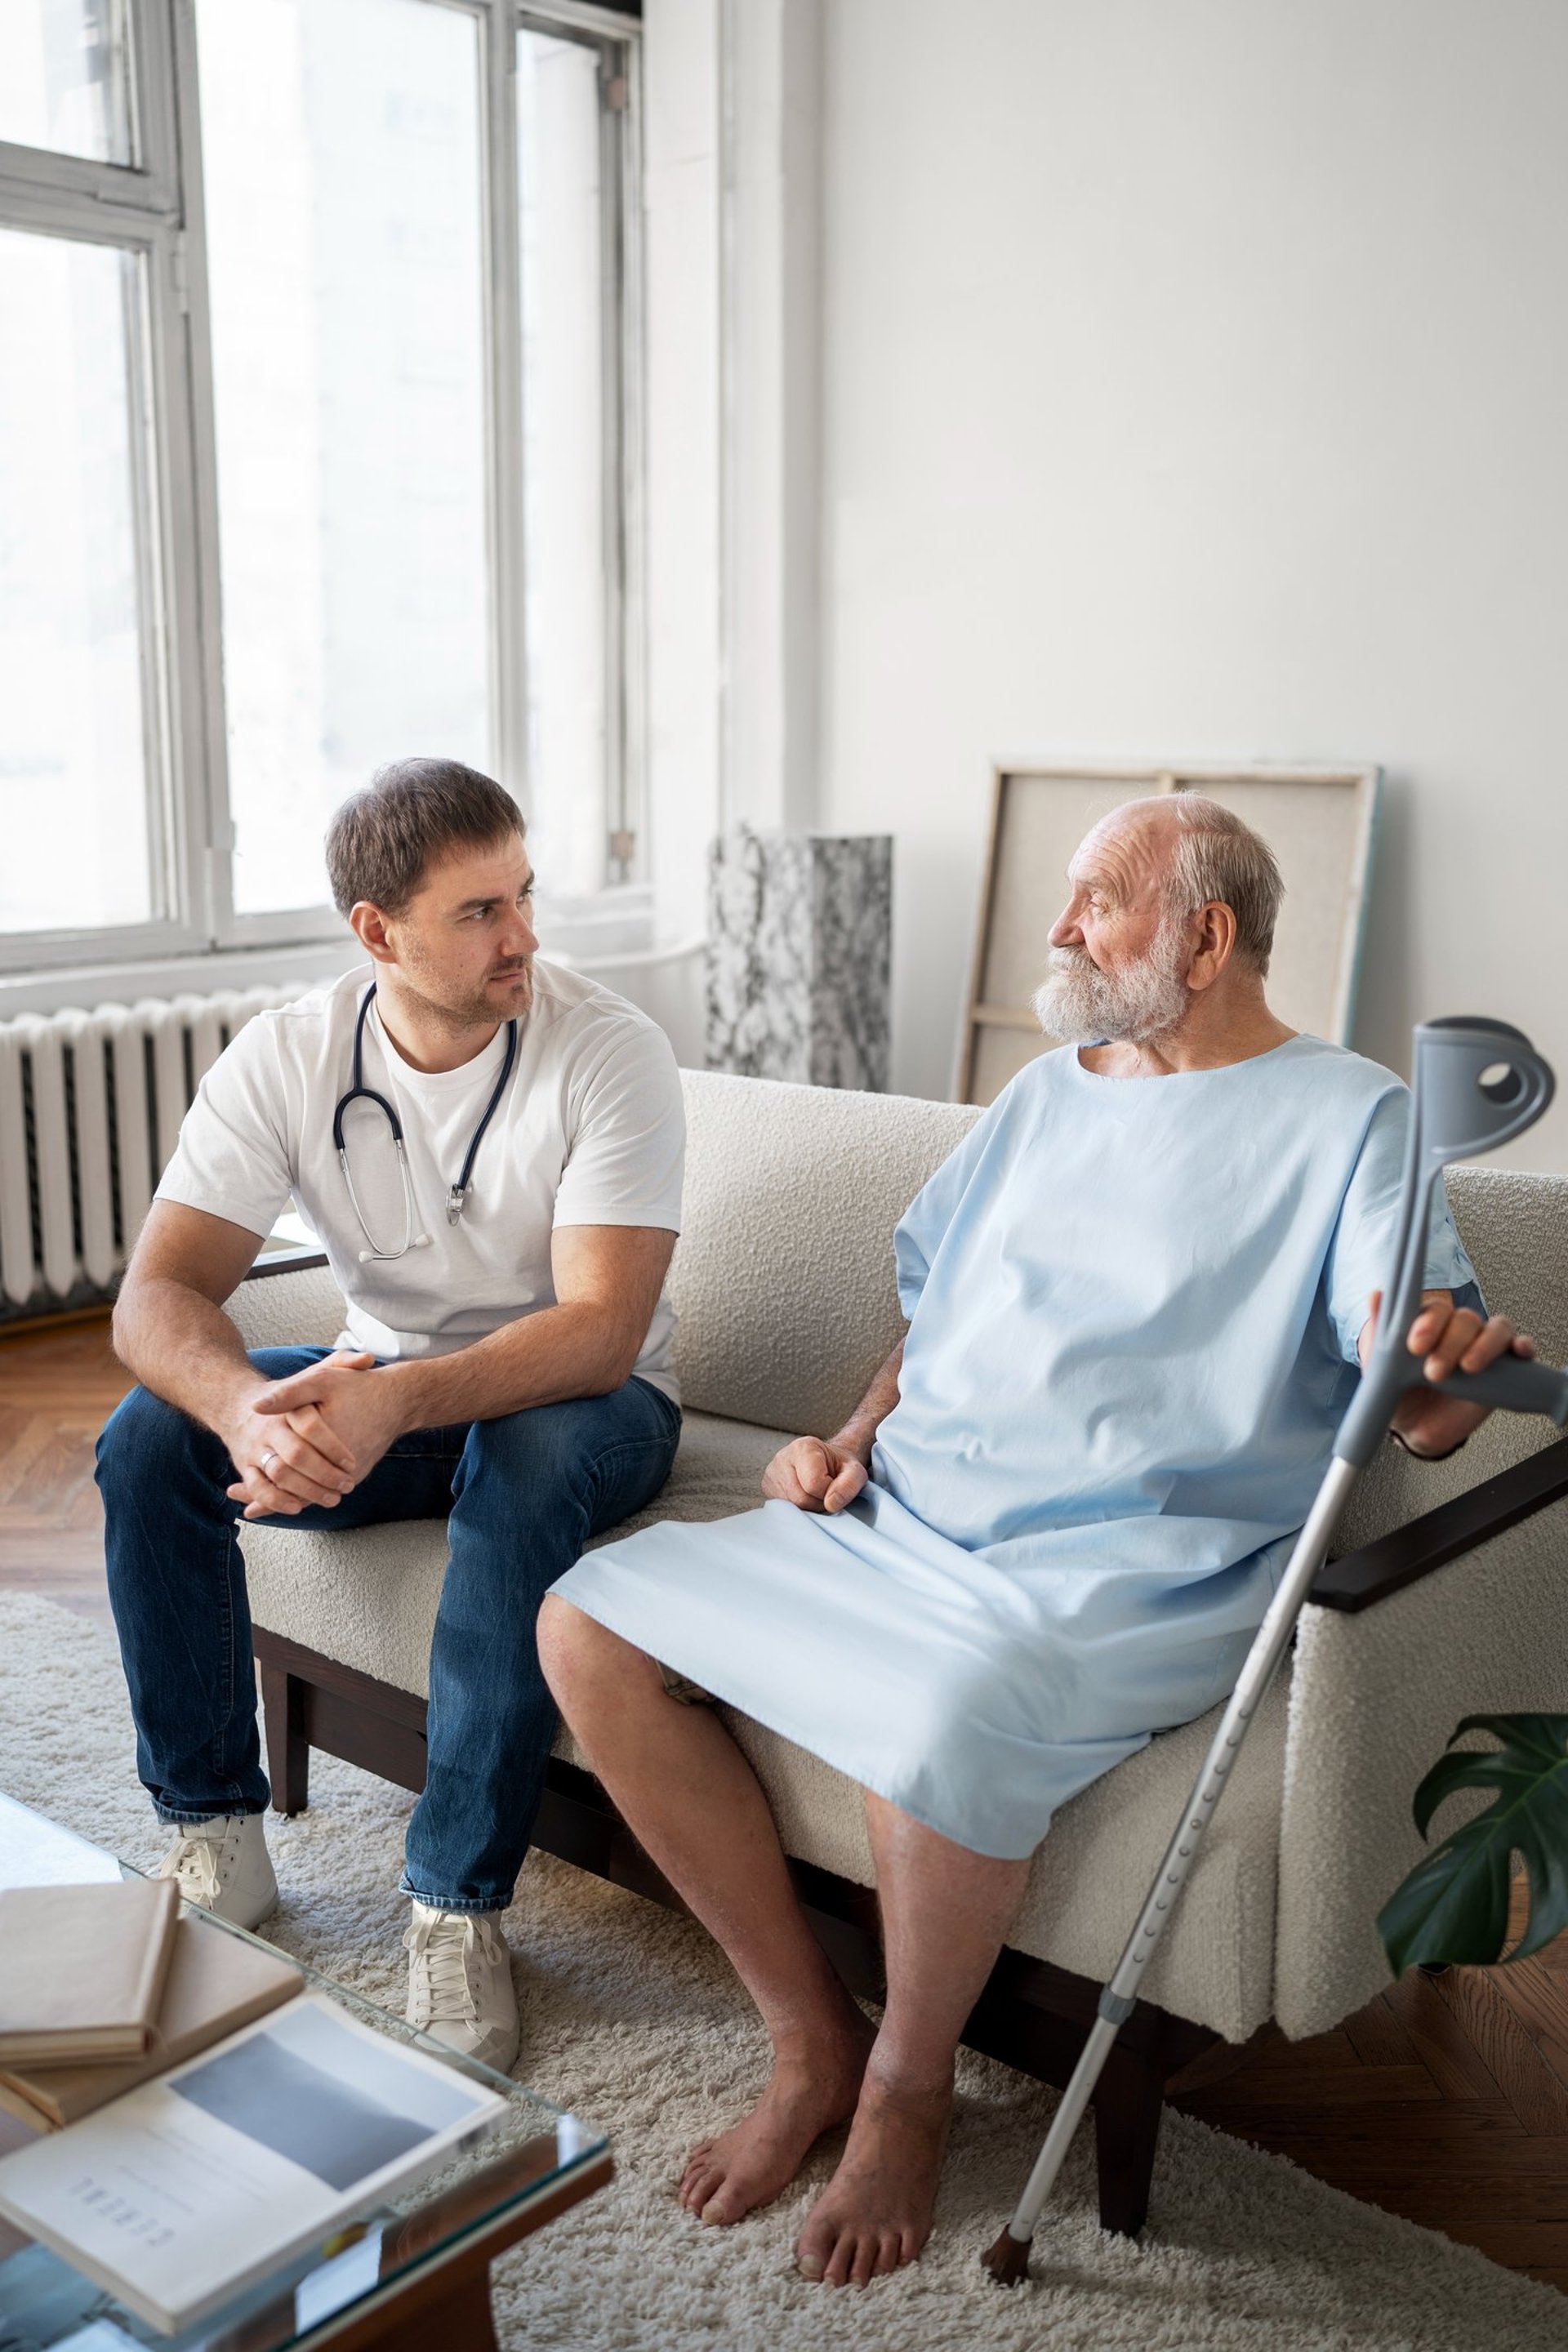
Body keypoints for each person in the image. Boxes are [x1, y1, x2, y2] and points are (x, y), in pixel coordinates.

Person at [537, 792, 1533, 2289]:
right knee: (587, 1625)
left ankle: (904, 2091)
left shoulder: (1355, 1119)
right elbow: (938, 1314)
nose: (1060, 930)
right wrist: (848, 1443)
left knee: (942, 1724)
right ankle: (813, 2036)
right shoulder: (1050, 1094)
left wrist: (1448, 1379)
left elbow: (1418, 1403)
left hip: (1125, 1573)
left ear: (1205, 936)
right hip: (903, 1520)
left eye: (1097, 901)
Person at [97, 758, 684, 2074]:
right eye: (480, 912)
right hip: (397, 1393)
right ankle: (213, 1831)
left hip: (598, 1406)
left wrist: (389, 1403)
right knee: (149, 1438)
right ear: (377, 933)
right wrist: (251, 1412)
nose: (523, 935)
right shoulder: (295, 1054)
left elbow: (598, 1329)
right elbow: (155, 1301)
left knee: (526, 1461)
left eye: (525, 895)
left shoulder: (610, 1049)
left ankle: (455, 1905)